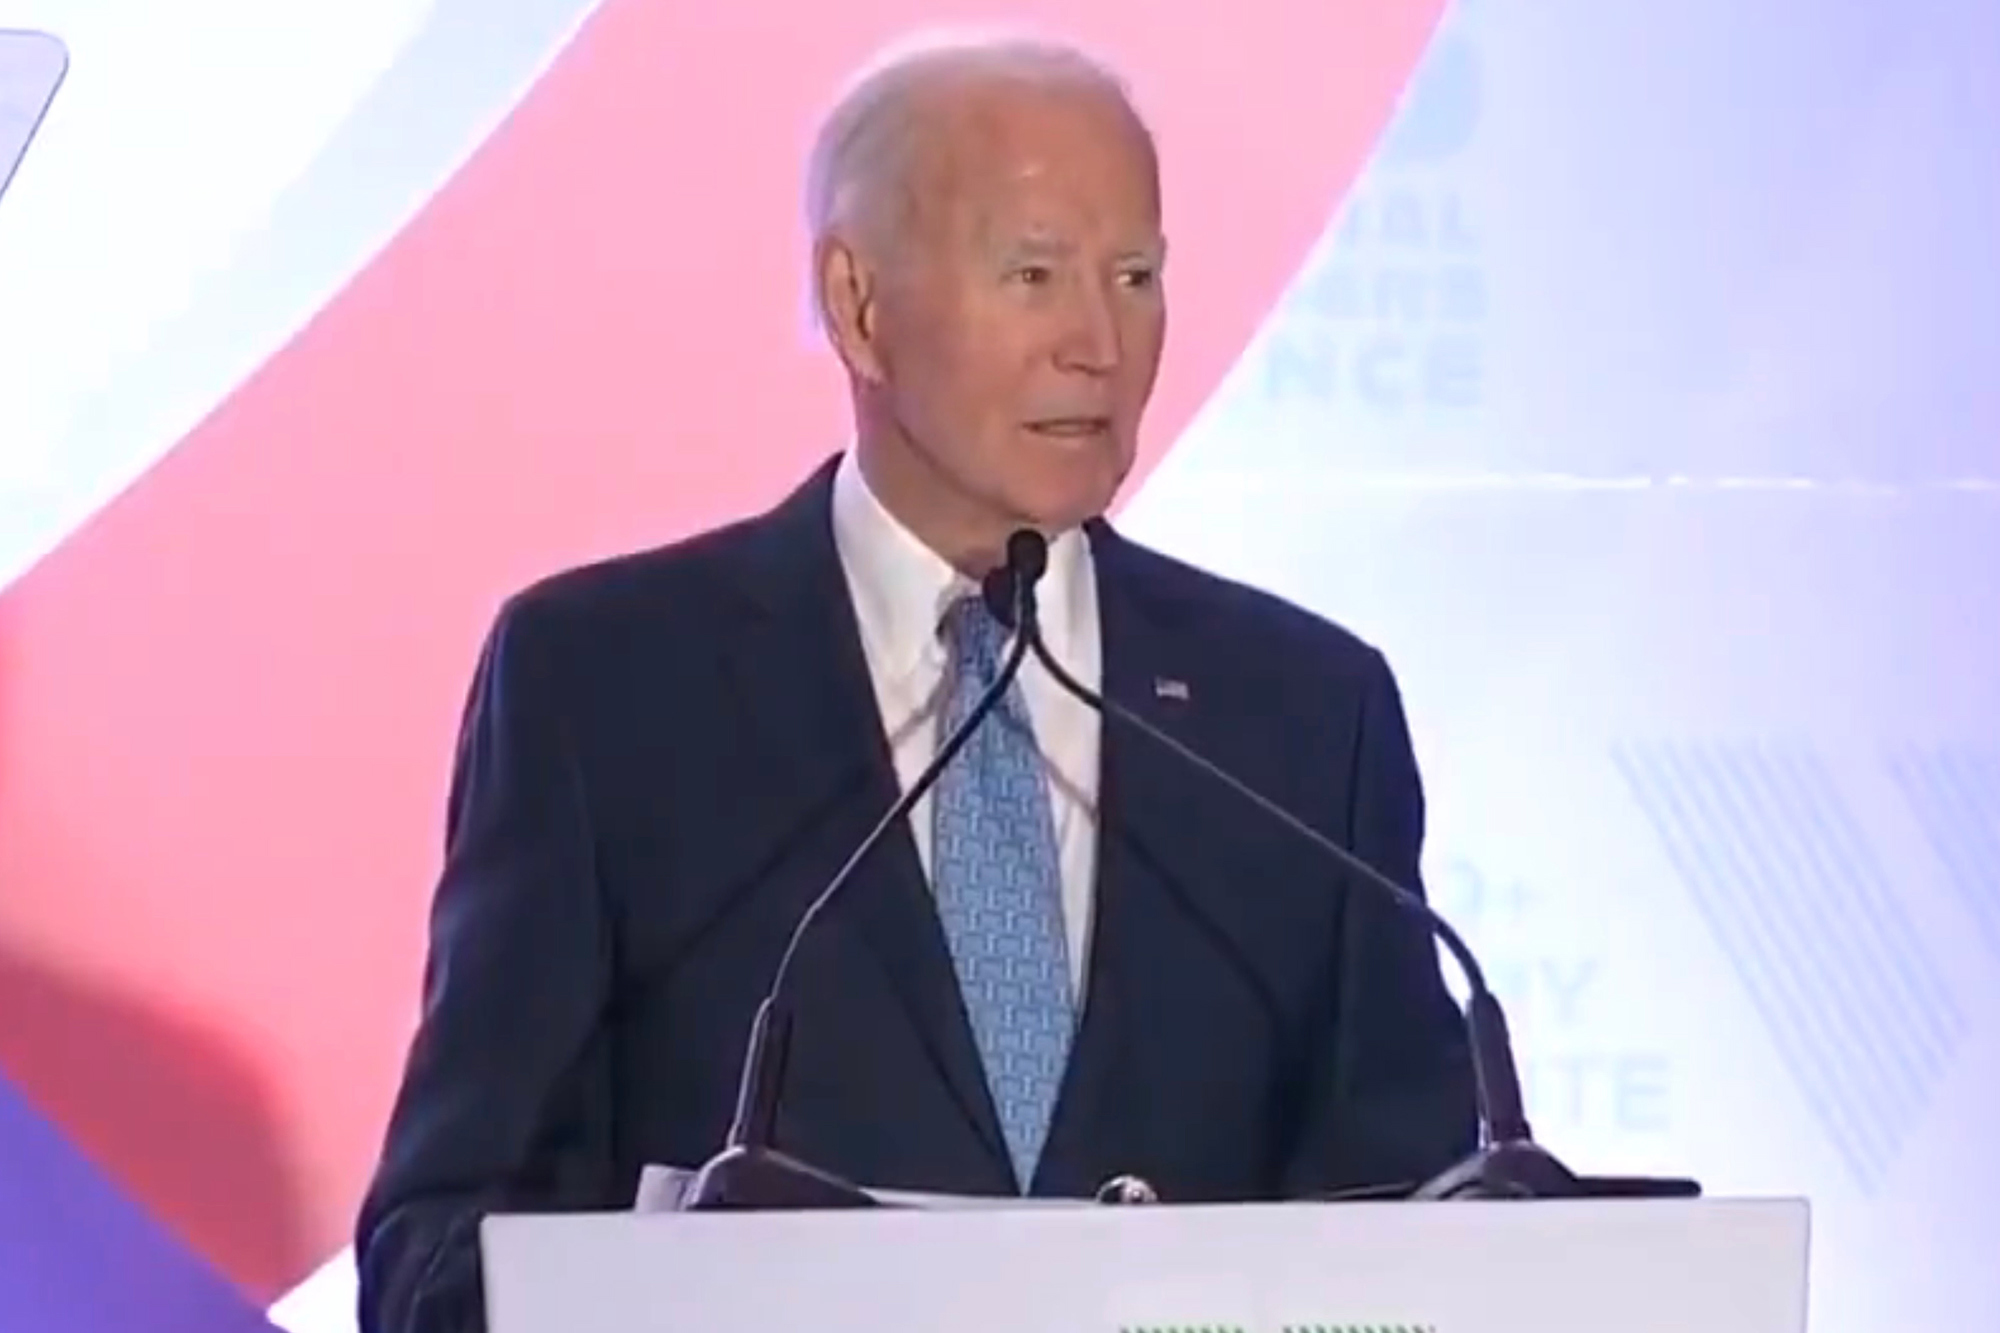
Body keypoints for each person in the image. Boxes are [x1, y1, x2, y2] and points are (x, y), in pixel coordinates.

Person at [354, 29, 1476, 1333]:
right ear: (860, 307)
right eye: (1034, 274)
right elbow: (437, 1255)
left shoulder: (1304, 714)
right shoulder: (605, 688)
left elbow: (1419, 1230)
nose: (1098, 343)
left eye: (1135, 275)